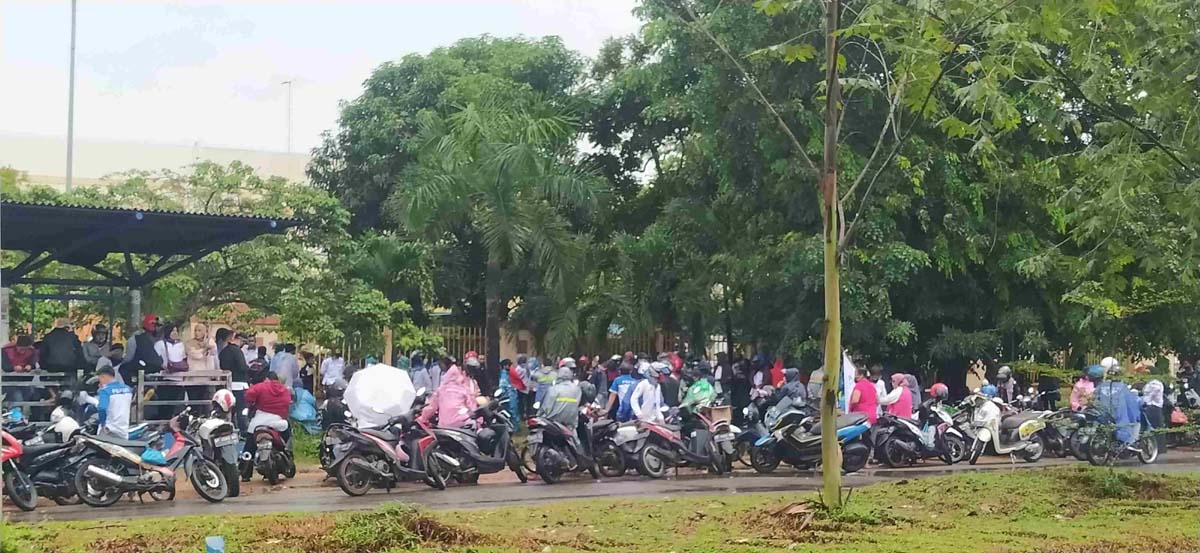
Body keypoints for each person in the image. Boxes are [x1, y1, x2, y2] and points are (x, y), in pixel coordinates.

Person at [242, 371, 293, 479]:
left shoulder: (261, 386)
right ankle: (286, 453)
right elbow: (288, 403)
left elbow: (248, 395)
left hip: (258, 423)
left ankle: (245, 473)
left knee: (249, 447)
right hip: (278, 423)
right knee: (286, 436)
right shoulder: (284, 389)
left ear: (266, 379)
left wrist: (252, 402)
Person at [420, 364, 477, 429]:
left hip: (444, 426)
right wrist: (479, 422)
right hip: (463, 423)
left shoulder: (441, 390)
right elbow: (473, 408)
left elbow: (431, 408)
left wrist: (422, 419)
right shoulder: (464, 389)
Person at [216, 328, 251, 432]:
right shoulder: (236, 350)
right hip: (240, 384)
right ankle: (242, 430)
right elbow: (242, 367)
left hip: (227, 384)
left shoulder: (223, 352)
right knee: (241, 410)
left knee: (228, 410)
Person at [154, 323, 190, 419]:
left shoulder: (181, 345)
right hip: (165, 378)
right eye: (172, 331)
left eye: (176, 331)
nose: (174, 333)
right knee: (164, 404)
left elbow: (184, 358)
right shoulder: (160, 344)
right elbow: (156, 359)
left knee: (175, 405)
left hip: (178, 379)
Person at [40, 317, 87, 386]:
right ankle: (69, 391)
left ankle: (53, 394)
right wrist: (83, 366)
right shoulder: (73, 337)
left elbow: (42, 355)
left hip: (51, 367)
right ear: (67, 327)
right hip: (69, 367)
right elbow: (80, 355)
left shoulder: (47, 337)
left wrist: (44, 366)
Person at [90, 365, 132, 438]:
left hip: (109, 430)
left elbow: (102, 408)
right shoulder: (127, 389)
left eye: (100, 378)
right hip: (124, 430)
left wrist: (103, 425)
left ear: (104, 376)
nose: (99, 382)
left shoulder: (105, 391)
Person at [123, 314, 165, 387]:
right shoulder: (164, 340)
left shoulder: (135, 339)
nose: (159, 328)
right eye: (157, 325)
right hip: (155, 372)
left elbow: (128, 358)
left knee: (123, 368)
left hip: (149, 372)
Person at [2, 335, 39, 405]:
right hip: (9, 380)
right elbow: (5, 366)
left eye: (25, 349)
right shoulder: (6, 350)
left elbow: (33, 363)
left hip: (24, 380)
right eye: (21, 349)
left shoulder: (32, 351)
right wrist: (13, 368)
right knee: (17, 396)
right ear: (17, 345)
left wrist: (30, 366)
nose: (22, 352)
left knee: (30, 393)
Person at [1142, 379, 1166, 452]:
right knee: (1158, 428)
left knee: (1152, 428)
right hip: (1155, 407)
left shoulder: (1152, 384)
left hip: (1151, 406)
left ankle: (1157, 447)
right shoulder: (1157, 384)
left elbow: (1149, 394)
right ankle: (1159, 447)